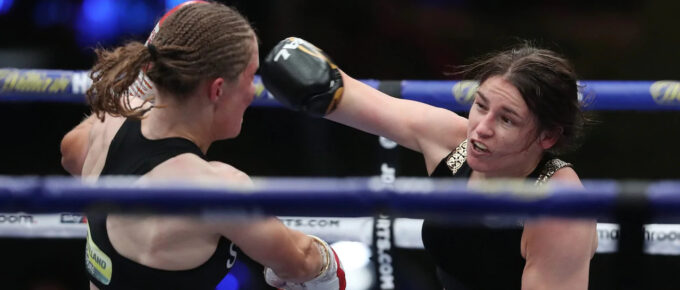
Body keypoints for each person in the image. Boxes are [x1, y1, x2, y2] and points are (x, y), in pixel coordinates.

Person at [260, 37, 598, 290]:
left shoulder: (559, 210)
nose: (481, 128)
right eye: (480, 106)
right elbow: (330, 90)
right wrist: (253, 50)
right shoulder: (454, 145)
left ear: (548, 137)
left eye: (506, 120)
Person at [59, 3, 345, 290]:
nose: (253, 91)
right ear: (218, 89)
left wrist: (140, 88)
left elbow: (71, 153)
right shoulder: (214, 188)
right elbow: (301, 263)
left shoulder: (115, 118)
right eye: (250, 77)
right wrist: (328, 260)